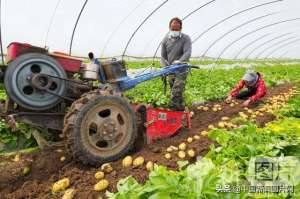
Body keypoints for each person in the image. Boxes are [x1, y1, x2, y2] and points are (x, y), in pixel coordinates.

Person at [160, 17, 192, 111]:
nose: (174, 30)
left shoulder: (186, 38)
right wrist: (164, 67)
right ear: (170, 28)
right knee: (176, 91)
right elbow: (163, 56)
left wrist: (180, 61)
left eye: (177, 29)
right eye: (173, 29)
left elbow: (187, 52)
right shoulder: (165, 39)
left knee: (176, 90)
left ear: (180, 28)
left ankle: (173, 111)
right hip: (170, 69)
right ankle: (180, 109)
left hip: (182, 69)